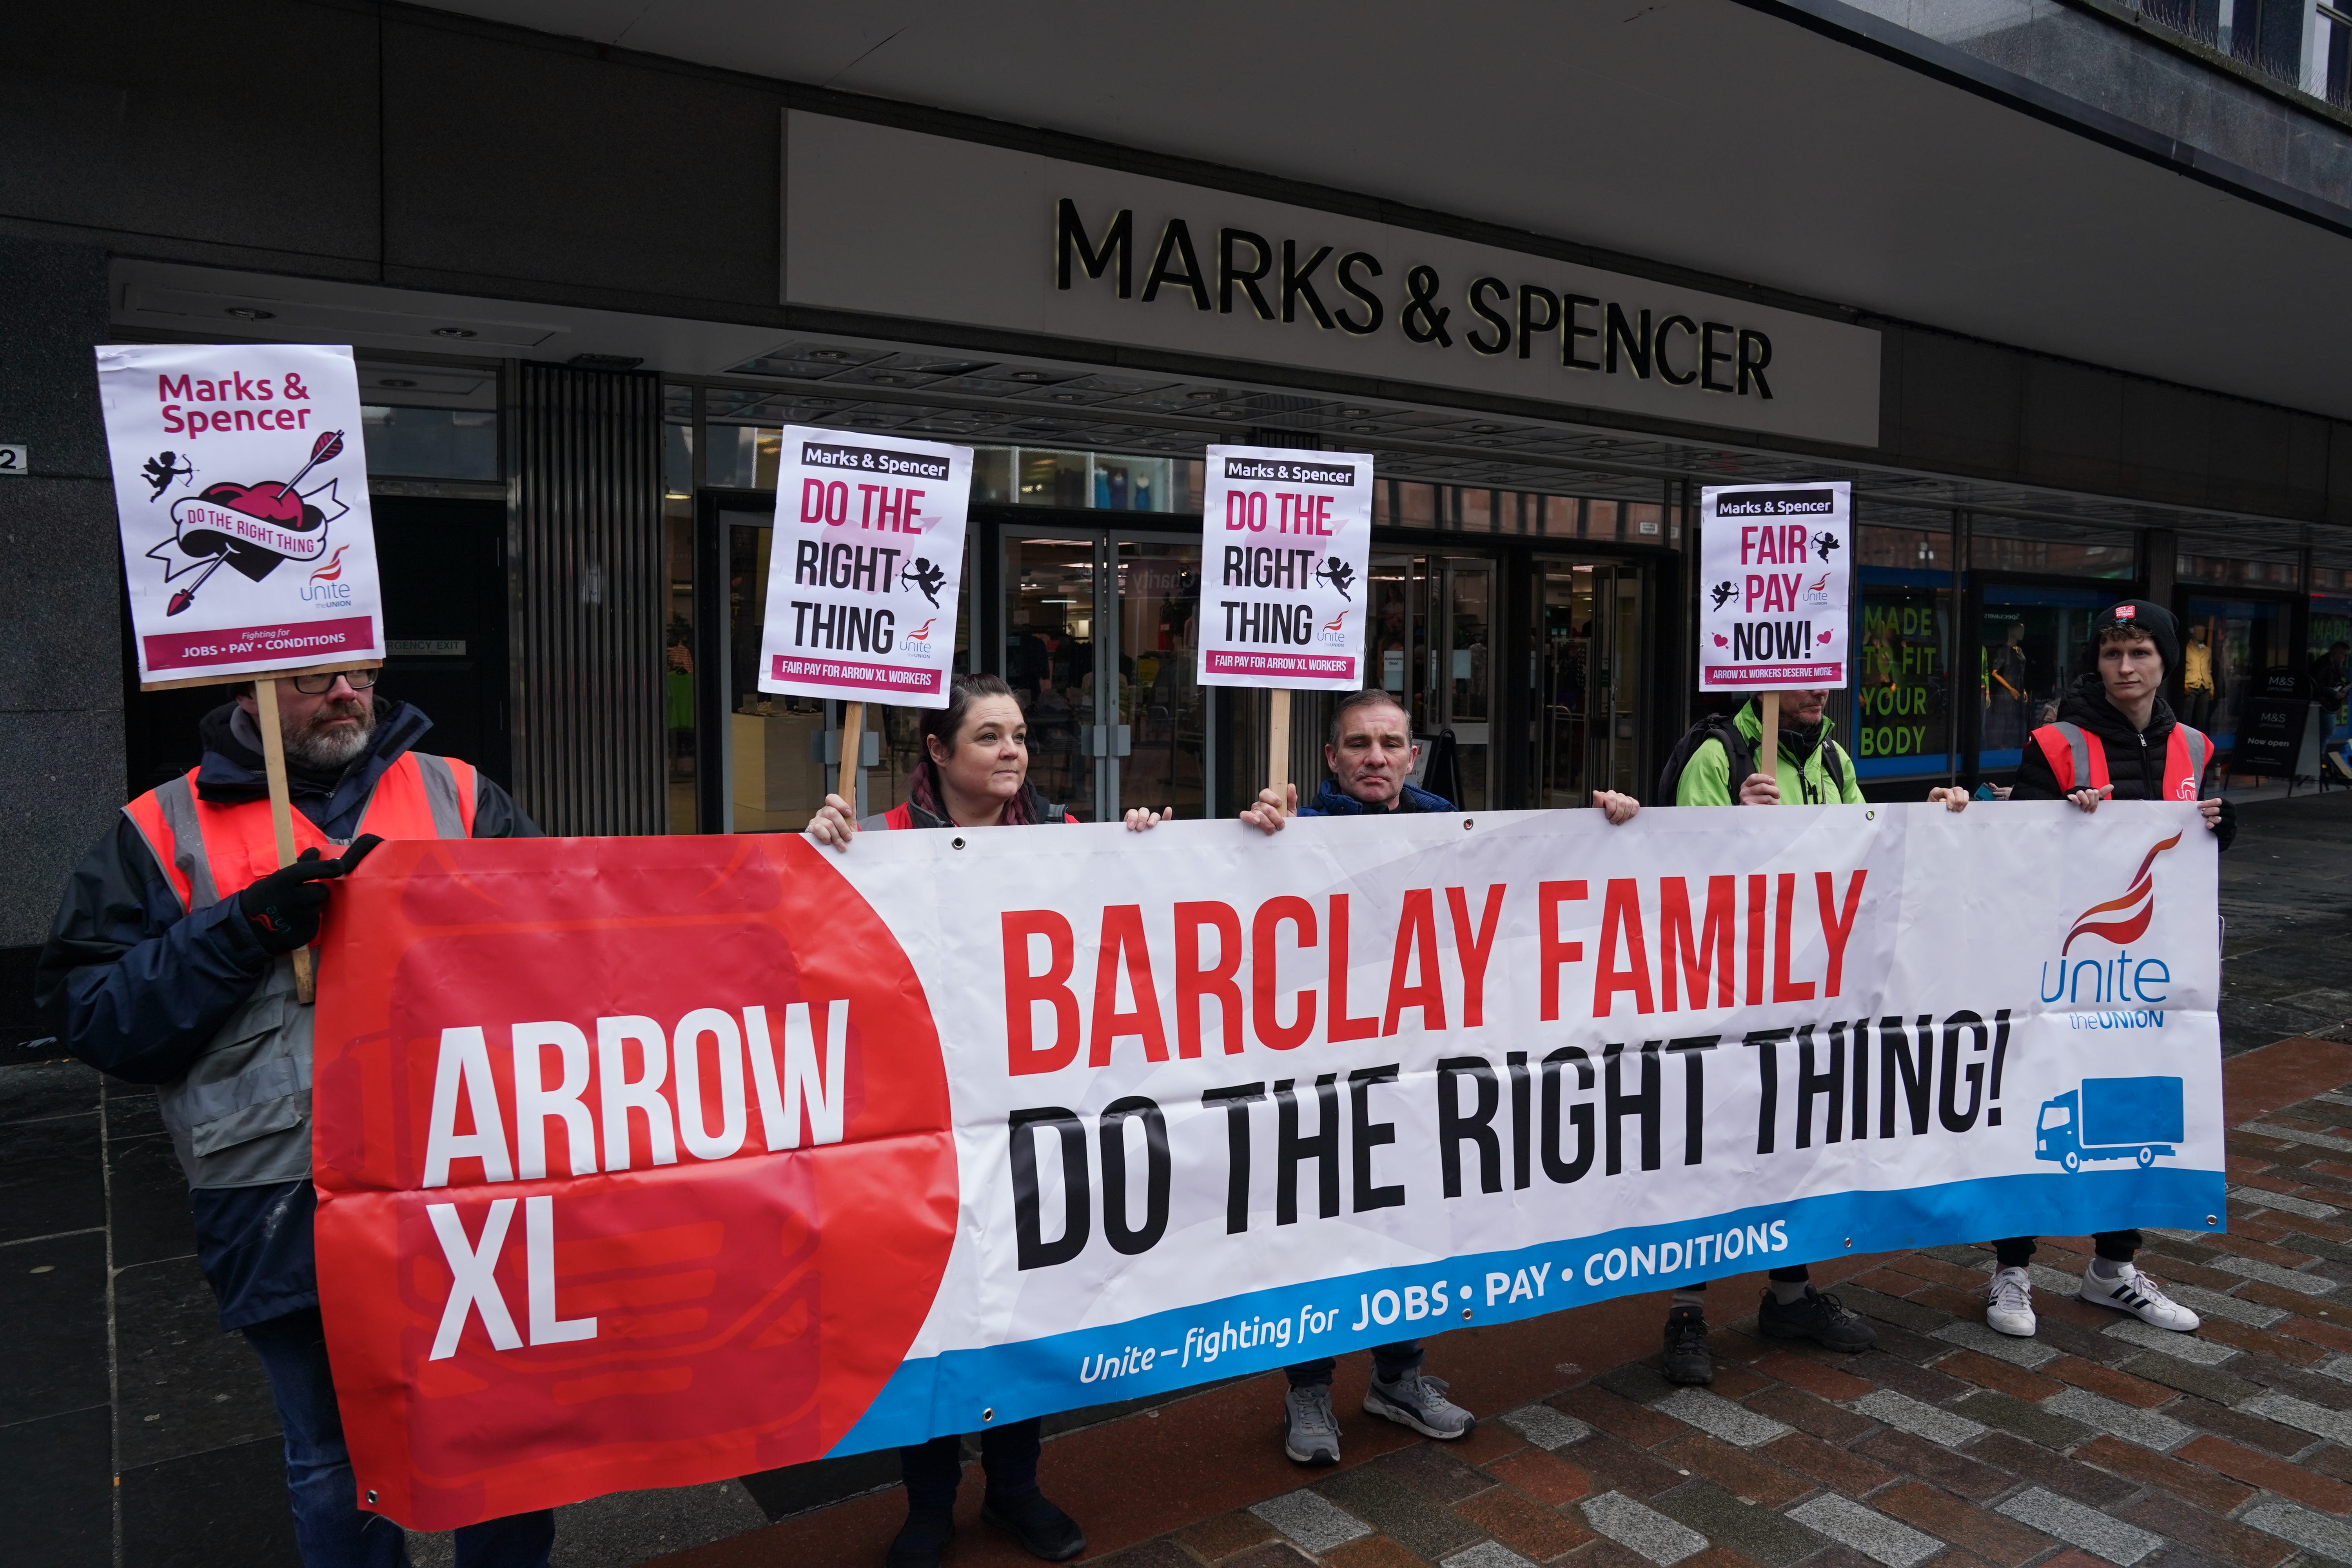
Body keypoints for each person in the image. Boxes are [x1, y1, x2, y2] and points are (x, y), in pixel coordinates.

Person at [35, 670, 550, 1568]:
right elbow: (95, 1016)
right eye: (316, 679)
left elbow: (565, 946)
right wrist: (238, 933)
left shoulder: (460, 793)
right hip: (278, 1194)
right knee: (332, 1461)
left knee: (502, 1431)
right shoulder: (159, 828)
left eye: (362, 670)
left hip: (469, 1175)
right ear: (250, 685)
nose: (349, 693)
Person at [1229, 690, 1642, 1462]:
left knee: (1410, 1223)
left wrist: (1608, 832)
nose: (1375, 757)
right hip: (1325, 1077)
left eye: (1390, 743)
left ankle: (1398, 1377)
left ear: (1413, 755)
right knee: (1322, 1231)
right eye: (1358, 744)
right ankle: (1309, 1389)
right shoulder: (1294, 832)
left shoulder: (1449, 825)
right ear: (1331, 757)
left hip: (1421, 1074)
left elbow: (1531, 891)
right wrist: (1252, 836)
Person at [806, 674, 1093, 1568]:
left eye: (1018, 735)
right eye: (988, 736)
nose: (1012, 752)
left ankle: (1015, 1488)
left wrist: (1160, 851)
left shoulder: (1068, 839)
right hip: (916, 1124)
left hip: (1026, 1123)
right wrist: (817, 859)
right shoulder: (877, 842)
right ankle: (928, 1504)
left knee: (1017, 1308)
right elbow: (807, 949)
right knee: (926, 1314)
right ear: (937, 750)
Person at [1929, 599, 2230, 1338]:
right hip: (2060, 965)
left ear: (2166, 662)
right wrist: (2061, 812)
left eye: (2140, 654)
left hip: (2151, 970)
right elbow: (2018, 845)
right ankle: (2012, 1269)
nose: (2125, 668)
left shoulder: (2196, 746)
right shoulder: (2055, 743)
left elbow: (2196, 861)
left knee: (2137, 1110)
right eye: (2111, 654)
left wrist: (2228, 830)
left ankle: (2114, 1268)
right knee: (2041, 1100)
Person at [1651, 689, 1878, 1384]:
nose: (1811, 691)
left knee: (1792, 1139)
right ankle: (1686, 1313)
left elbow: (1866, 852)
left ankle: (1789, 1296)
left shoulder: (1836, 759)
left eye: (1821, 676)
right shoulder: (1722, 754)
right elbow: (1674, 867)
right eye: (1796, 676)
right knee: (1710, 1142)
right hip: (1722, 993)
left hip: (1806, 990)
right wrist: (1734, 827)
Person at [2181, 623, 2217, 731]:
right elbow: (2182, 668)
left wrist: (2212, 688)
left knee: (2203, 718)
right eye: (2199, 632)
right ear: (2194, 633)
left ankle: (2201, 739)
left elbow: (2208, 670)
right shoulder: (2186, 649)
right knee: (2187, 716)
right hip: (2191, 685)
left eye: (2204, 632)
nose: (2202, 634)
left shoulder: (2208, 651)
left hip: (2205, 686)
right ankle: (2185, 737)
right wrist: (2184, 683)